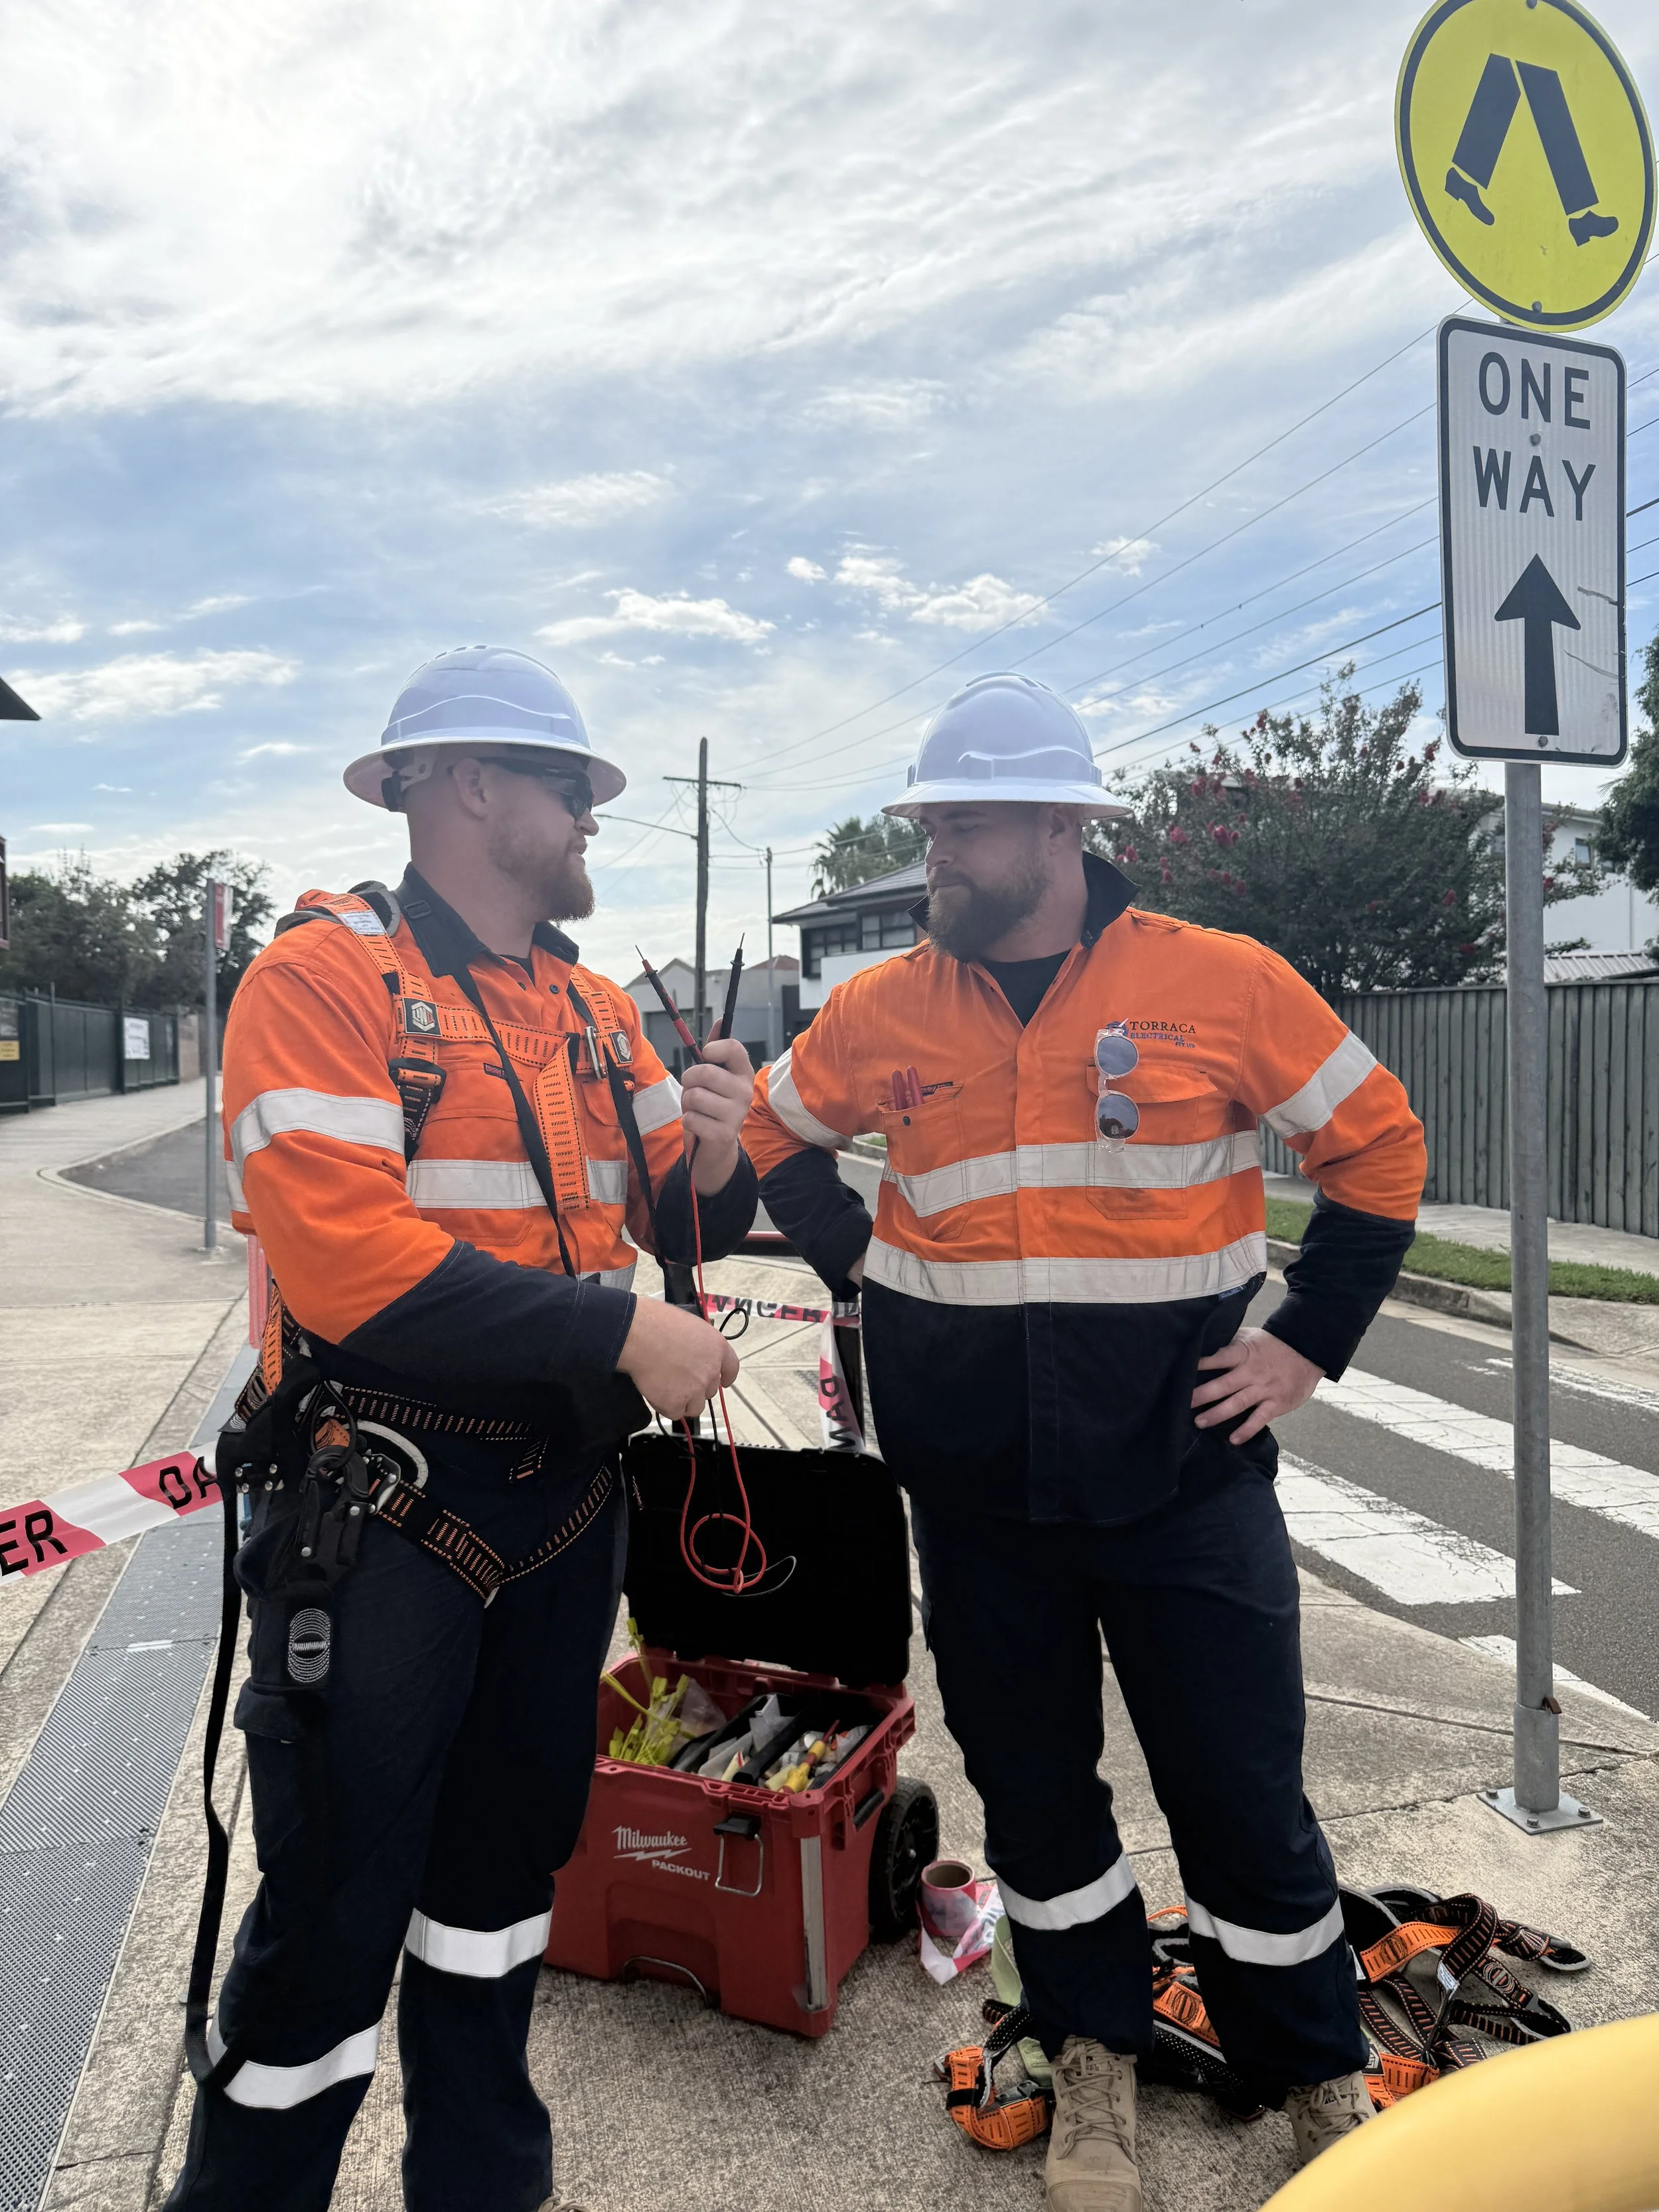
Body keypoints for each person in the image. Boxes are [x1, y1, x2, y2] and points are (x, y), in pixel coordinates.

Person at [743, 673, 1426, 2212]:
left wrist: (1305, 1340)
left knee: (1244, 1798)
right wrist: (851, 1259)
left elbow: (1376, 1145)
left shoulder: (1221, 980)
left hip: (1184, 1485)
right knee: (1039, 1803)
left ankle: (1310, 2070)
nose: (934, 856)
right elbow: (772, 1128)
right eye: (926, 827)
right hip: (979, 1498)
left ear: (1059, 825)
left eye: (962, 825)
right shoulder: (882, 1006)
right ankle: (1093, 2054)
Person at [165, 646, 757, 2212]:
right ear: (471, 786)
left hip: (562, 1504)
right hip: (384, 1516)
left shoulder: (588, 1006)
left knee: (503, 1891)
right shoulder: (320, 980)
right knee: (335, 1912)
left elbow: (675, 1213)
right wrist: (620, 1328)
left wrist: (720, 1146)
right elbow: (351, 1268)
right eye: (570, 787)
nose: (590, 818)